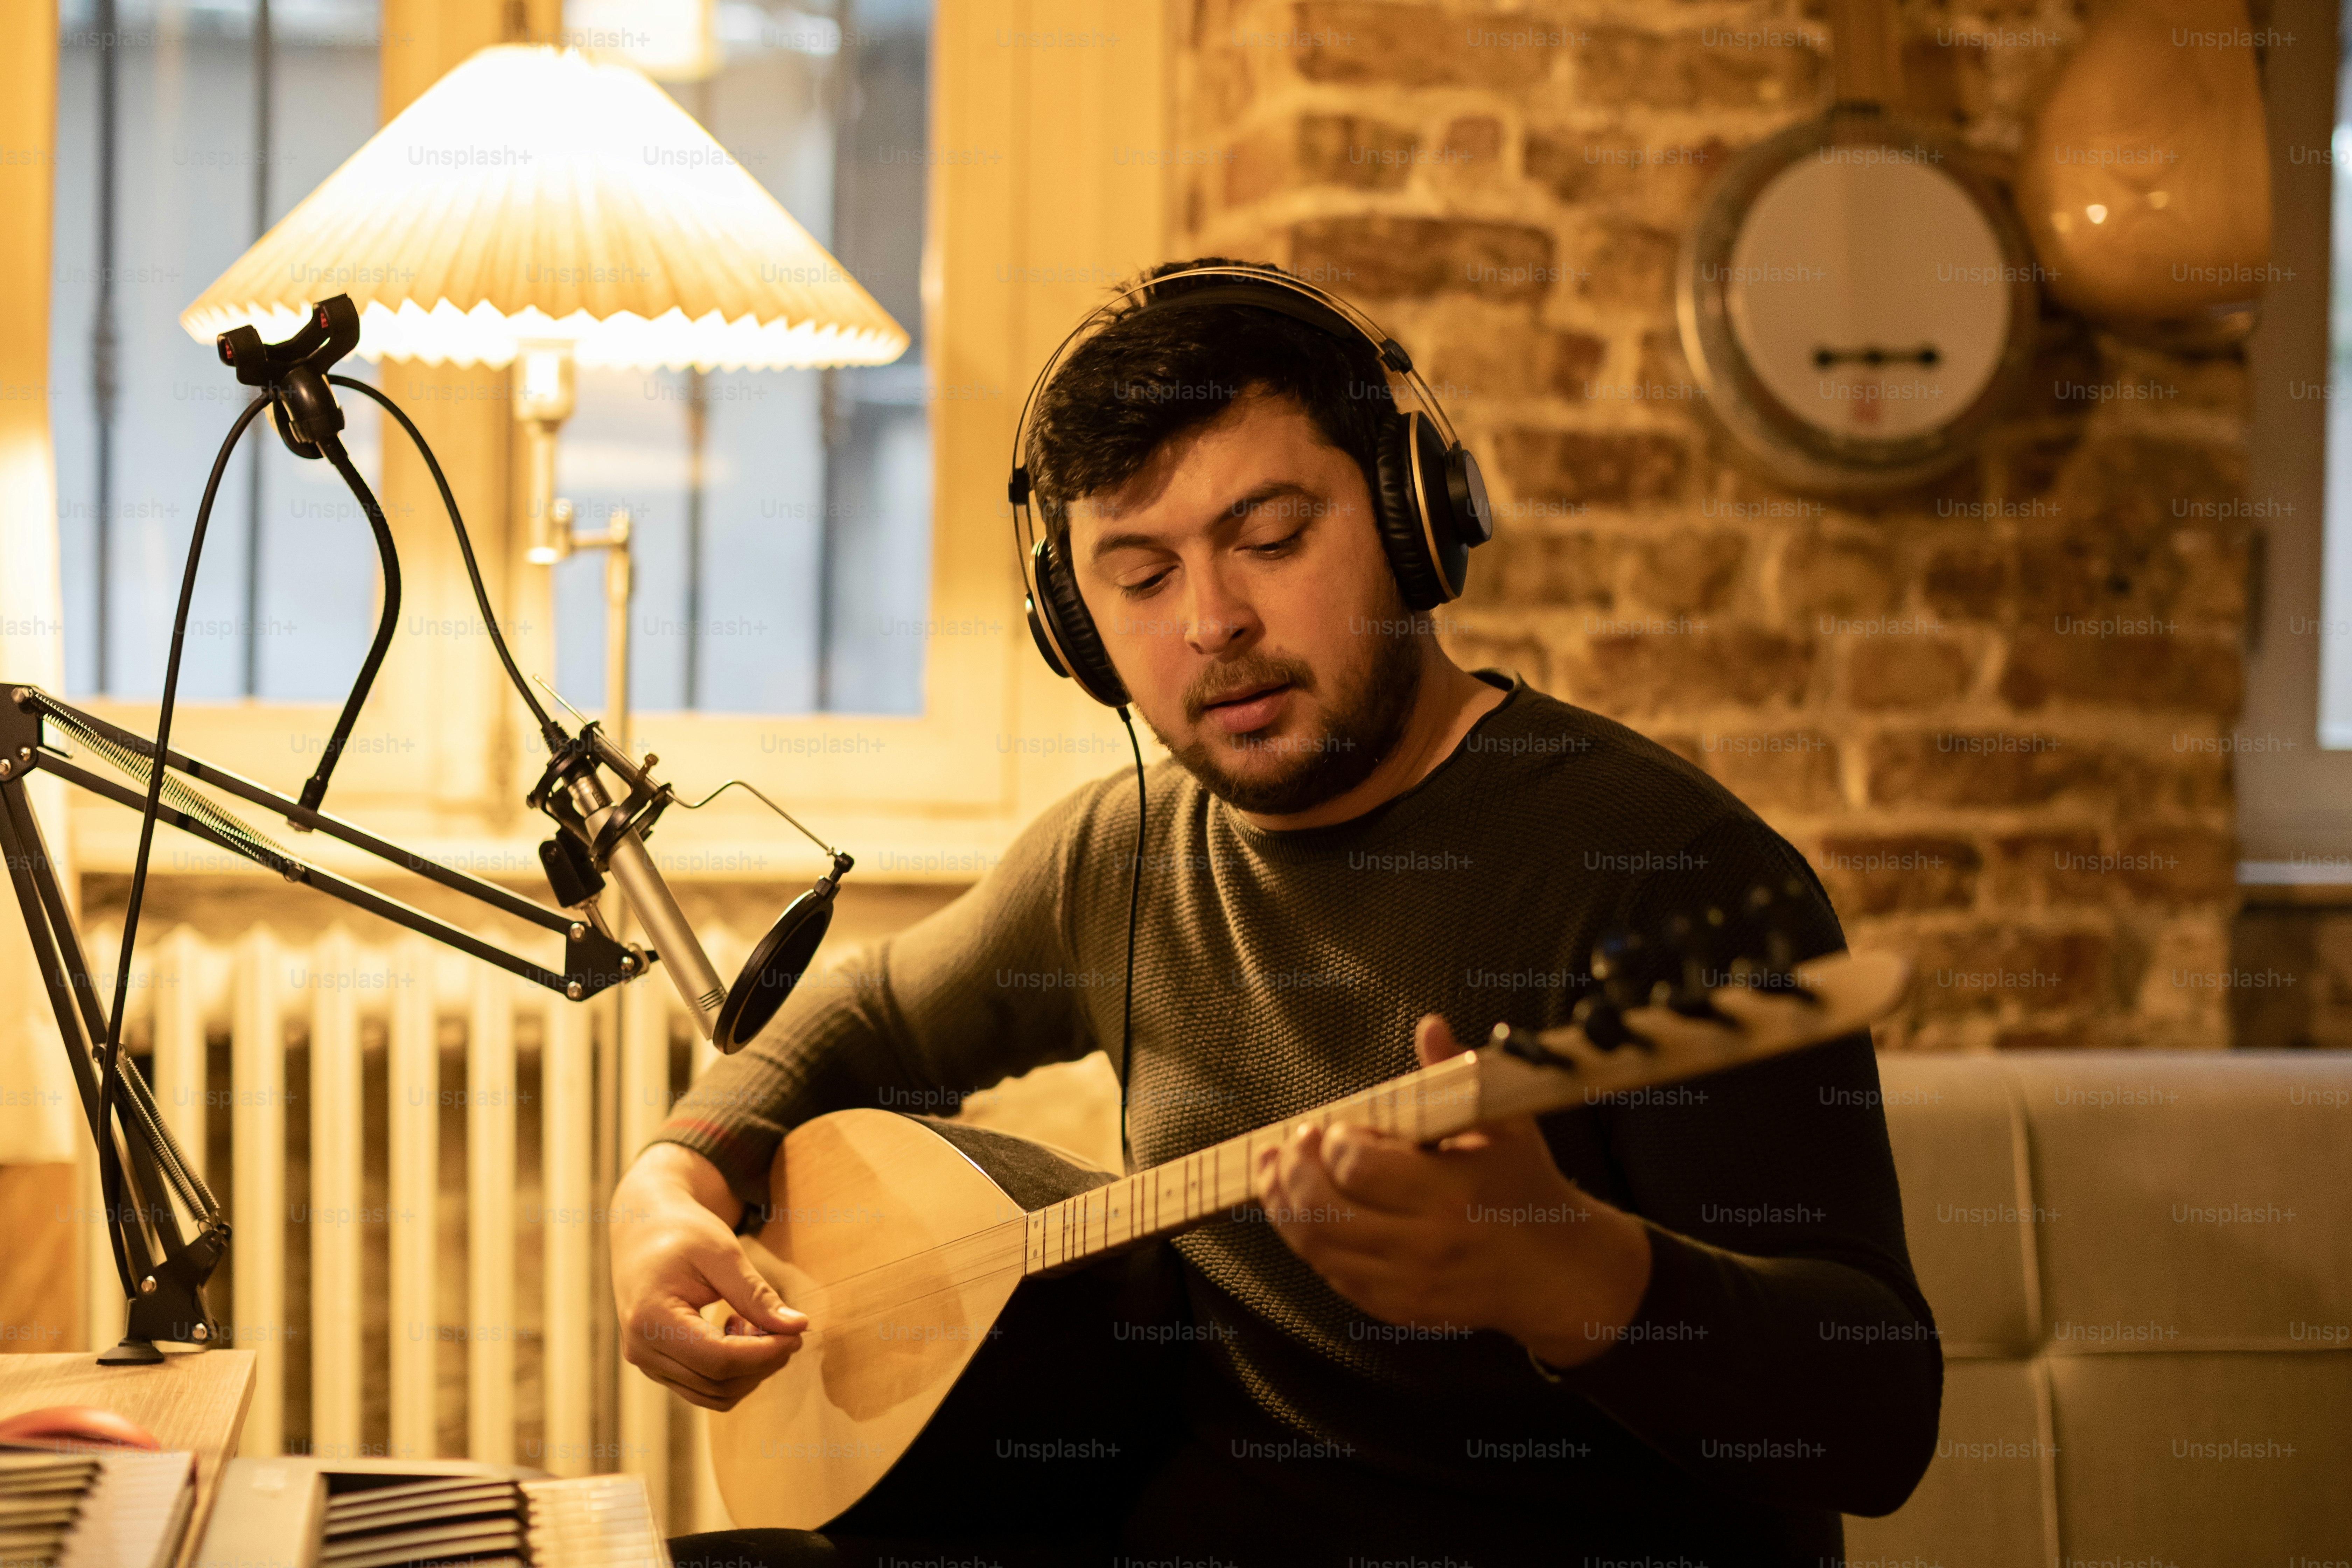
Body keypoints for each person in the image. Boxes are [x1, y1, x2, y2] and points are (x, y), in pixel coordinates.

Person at [616, 260, 1942, 1568]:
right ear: (1074, 628)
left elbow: (1878, 1420)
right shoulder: (1122, 852)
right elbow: (871, 1014)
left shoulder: (1662, 872)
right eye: (1142, 577)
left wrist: (1566, 1278)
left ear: (1413, 520)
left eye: (1272, 539)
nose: (1213, 623)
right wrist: (665, 1192)